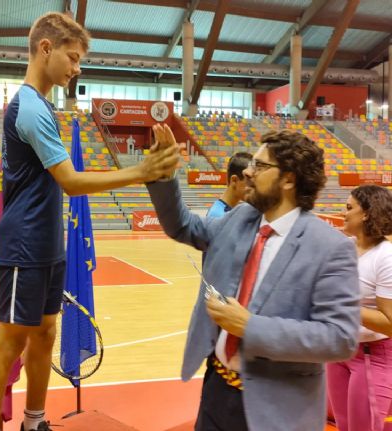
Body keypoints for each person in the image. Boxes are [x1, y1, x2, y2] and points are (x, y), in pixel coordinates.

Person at [0, 12, 178, 431]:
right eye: (72, 57)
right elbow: (70, 181)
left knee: (47, 333)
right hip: (24, 245)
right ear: (45, 49)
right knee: (8, 343)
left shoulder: (43, 106)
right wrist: (141, 172)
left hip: (48, 243)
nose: (77, 68)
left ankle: (34, 422)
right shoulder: (29, 108)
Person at [147, 126, 360, 431]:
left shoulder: (330, 247)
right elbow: (183, 226)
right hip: (217, 394)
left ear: (289, 178)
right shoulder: (239, 218)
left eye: (259, 166)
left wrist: (250, 326)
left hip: (279, 409)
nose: (247, 172)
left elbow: (340, 338)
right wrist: (165, 175)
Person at [327, 185, 392, 431]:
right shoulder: (344, 248)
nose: (343, 214)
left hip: (372, 355)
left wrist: (344, 304)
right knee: (344, 426)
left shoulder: (386, 257)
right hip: (340, 350)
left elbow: (390, 323)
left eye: (349, 208)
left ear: (366, 213)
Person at [206, 152, 253, 218]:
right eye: (250, 183)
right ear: (234, 180)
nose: (253, 188)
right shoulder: (218, 216)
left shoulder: (233, 210)